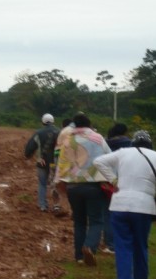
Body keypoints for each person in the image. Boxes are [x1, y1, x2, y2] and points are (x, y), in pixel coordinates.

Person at [93, 130, 156, 279]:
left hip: (119, 205)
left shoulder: (123, 153)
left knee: (123, 247)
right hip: (144, 208)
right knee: (141, 247)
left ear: (133, 143)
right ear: (149, 144)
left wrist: (113, 180)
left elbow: (99, 161)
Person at [53, 112, 111, 266]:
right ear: (89, 125)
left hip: (73, 186)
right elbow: (110, 158)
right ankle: (90, 247)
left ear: (75, 125)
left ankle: (79, 256)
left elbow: (61, 163)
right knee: (96, 221)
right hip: (93, 185)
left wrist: (59, 183)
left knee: (79, 222)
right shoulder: (98, 139)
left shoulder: (68, 140)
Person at [101, 123, 133, 253]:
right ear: (125, 132)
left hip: (107, 181)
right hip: (126, 181)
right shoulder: (130, 144)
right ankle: (124, 241)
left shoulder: (105, 143)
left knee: (107, 213)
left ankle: (110, 244)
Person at [24, 113, 59, 212]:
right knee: (54, 184)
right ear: (53, 121)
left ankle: (43, 205)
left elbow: (30, 147)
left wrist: (28, 155)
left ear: (43, 122)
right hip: (55, 163)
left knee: (42, 183)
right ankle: (56, 205)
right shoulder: (59, 132)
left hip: (42, 162)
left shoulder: (38, 133)